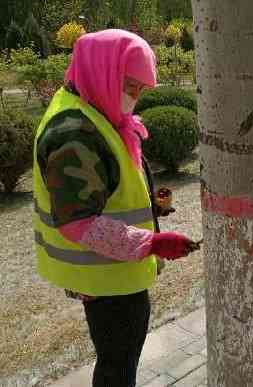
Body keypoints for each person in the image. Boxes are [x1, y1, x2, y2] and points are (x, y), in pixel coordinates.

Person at [32, 30, 198, 387]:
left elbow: (103, 189)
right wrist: (151, 242)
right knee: (117, 366)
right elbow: (79, 223)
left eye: (141, 90)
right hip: (104, 278)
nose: (134, 98)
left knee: (120, 359)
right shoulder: (72, 133)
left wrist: (150, 206)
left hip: (113, 271)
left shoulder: (94, 110)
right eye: (131, 86)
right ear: (103, 70)